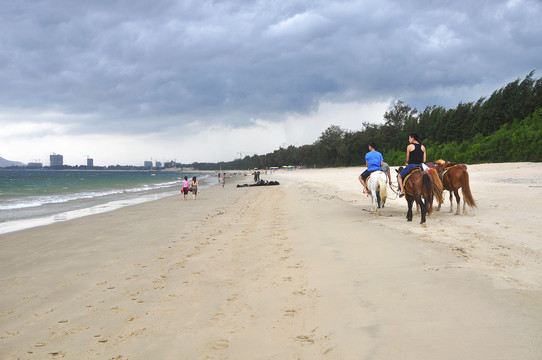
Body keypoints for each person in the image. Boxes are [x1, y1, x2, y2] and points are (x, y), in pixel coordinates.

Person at [397, 132, 426, 197]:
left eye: (409, 138)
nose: (409, 140)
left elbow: (407, 159)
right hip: (421, 166)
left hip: (411, 166)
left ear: (412, 138)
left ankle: (401, 190)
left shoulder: (409, 146)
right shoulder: (423, 147)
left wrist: (407, 162)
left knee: (399, 176)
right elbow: (424, 160)